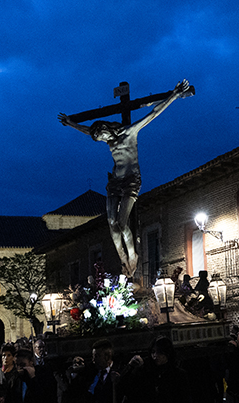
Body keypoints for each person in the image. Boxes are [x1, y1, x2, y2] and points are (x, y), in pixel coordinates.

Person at [58, 80, 193, 275]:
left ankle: (132, 256)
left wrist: (174, 94)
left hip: (131, 181)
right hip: (114, 182)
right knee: (111, 223)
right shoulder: (107, 138)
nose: (104, 141)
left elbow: (153, 113)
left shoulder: (129, 132)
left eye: (103, 137)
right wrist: (71, 124)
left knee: (122, 223)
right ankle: (123, 259)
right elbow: (88, 131)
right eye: (101, 140)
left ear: (106, 129)